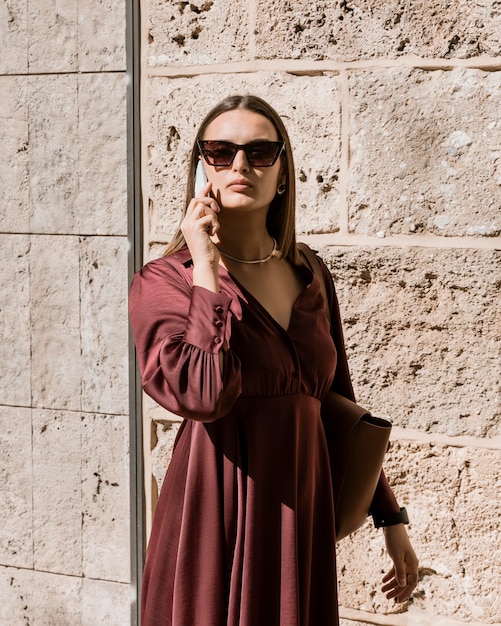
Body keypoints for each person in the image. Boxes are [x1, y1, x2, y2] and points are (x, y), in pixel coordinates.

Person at [129, 94, 419, 626]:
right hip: (217, 507)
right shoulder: (165, 281)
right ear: (201, 169)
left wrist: (389, 514)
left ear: (282, 172)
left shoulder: (309, 272)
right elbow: (202, 394)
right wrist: (206, 270)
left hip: (300, 512)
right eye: (219, 151)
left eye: (260, 152)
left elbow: (335, 404)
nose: (240, 165)